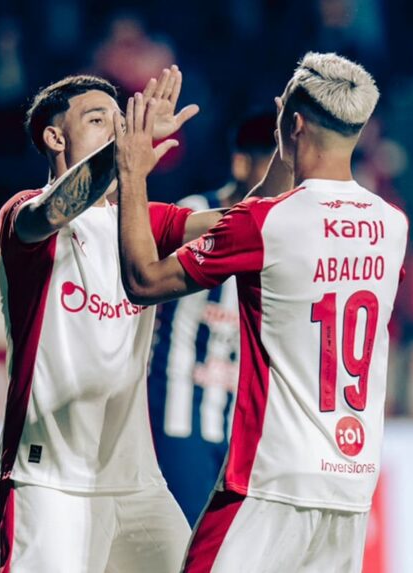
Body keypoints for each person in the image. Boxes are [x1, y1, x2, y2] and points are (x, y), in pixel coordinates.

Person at [114, 53, 408, 572]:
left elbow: (143, 281)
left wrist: (132, 171)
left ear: (293, 125)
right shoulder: (391, 225)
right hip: (350, 485)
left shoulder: (266, 222)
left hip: (270, 480)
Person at [0, 66, 291, 572]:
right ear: (54, 137)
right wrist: (126, 157)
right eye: (98, 119)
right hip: (50, 482)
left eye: (121, 120)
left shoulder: (142, 222)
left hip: (137, 484)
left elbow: (248, 218)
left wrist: (286, 148)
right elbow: (55, 208)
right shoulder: (24, 218)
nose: (119, 129)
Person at [148, 111, 277, 525]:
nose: (288, 184)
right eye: (277, 167)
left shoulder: (286, 233)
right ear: (242, 164)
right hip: (178, 408)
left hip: (240, 420)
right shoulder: (194, 213)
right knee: (186, 536)